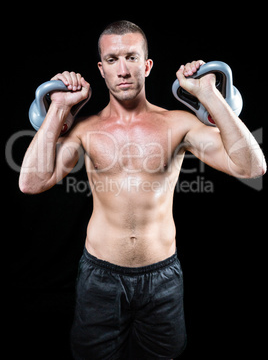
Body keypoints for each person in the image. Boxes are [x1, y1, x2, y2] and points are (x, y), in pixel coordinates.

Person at [19, 20, 266, 360]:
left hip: (162, 277)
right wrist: (59, 107)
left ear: (147, 65)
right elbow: (31, 181)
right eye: (113, 59)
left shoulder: (178, 123)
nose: (123, 69)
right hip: (100, 277)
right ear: (101, 69)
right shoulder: (85, 131)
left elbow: (251, 167)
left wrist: (209, 94)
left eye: (132, 57)